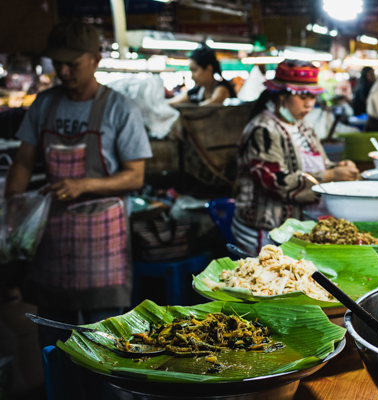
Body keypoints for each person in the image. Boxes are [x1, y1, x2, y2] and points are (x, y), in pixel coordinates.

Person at [5, 21, 152, 347]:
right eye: (58, 63)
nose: (64, 71)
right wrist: (13, 205)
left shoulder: (119, 108)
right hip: (52, 239)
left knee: (108, 346)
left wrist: (84, 185)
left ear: (95, 59)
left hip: (104, 247)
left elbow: (135, 176)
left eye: (73, 63)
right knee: (57, 343)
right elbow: (23, 161)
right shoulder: (44, 104)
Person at [233, 61, 360, 255]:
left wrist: (340, 167)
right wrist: (329, 175)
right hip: (265, 231)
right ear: (281, 96)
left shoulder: (303, 126)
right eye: (302, 96)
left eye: (312, 96)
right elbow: (273, 182)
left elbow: (322, 164)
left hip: (297, 229)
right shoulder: (263, 130)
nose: (310, 103)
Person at [168, 45, 236, 106]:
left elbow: (214, 102)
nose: (192, 76)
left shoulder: (222, 87)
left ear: (209, 69)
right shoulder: (199, 90)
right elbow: (174, 102)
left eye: (194, 70)